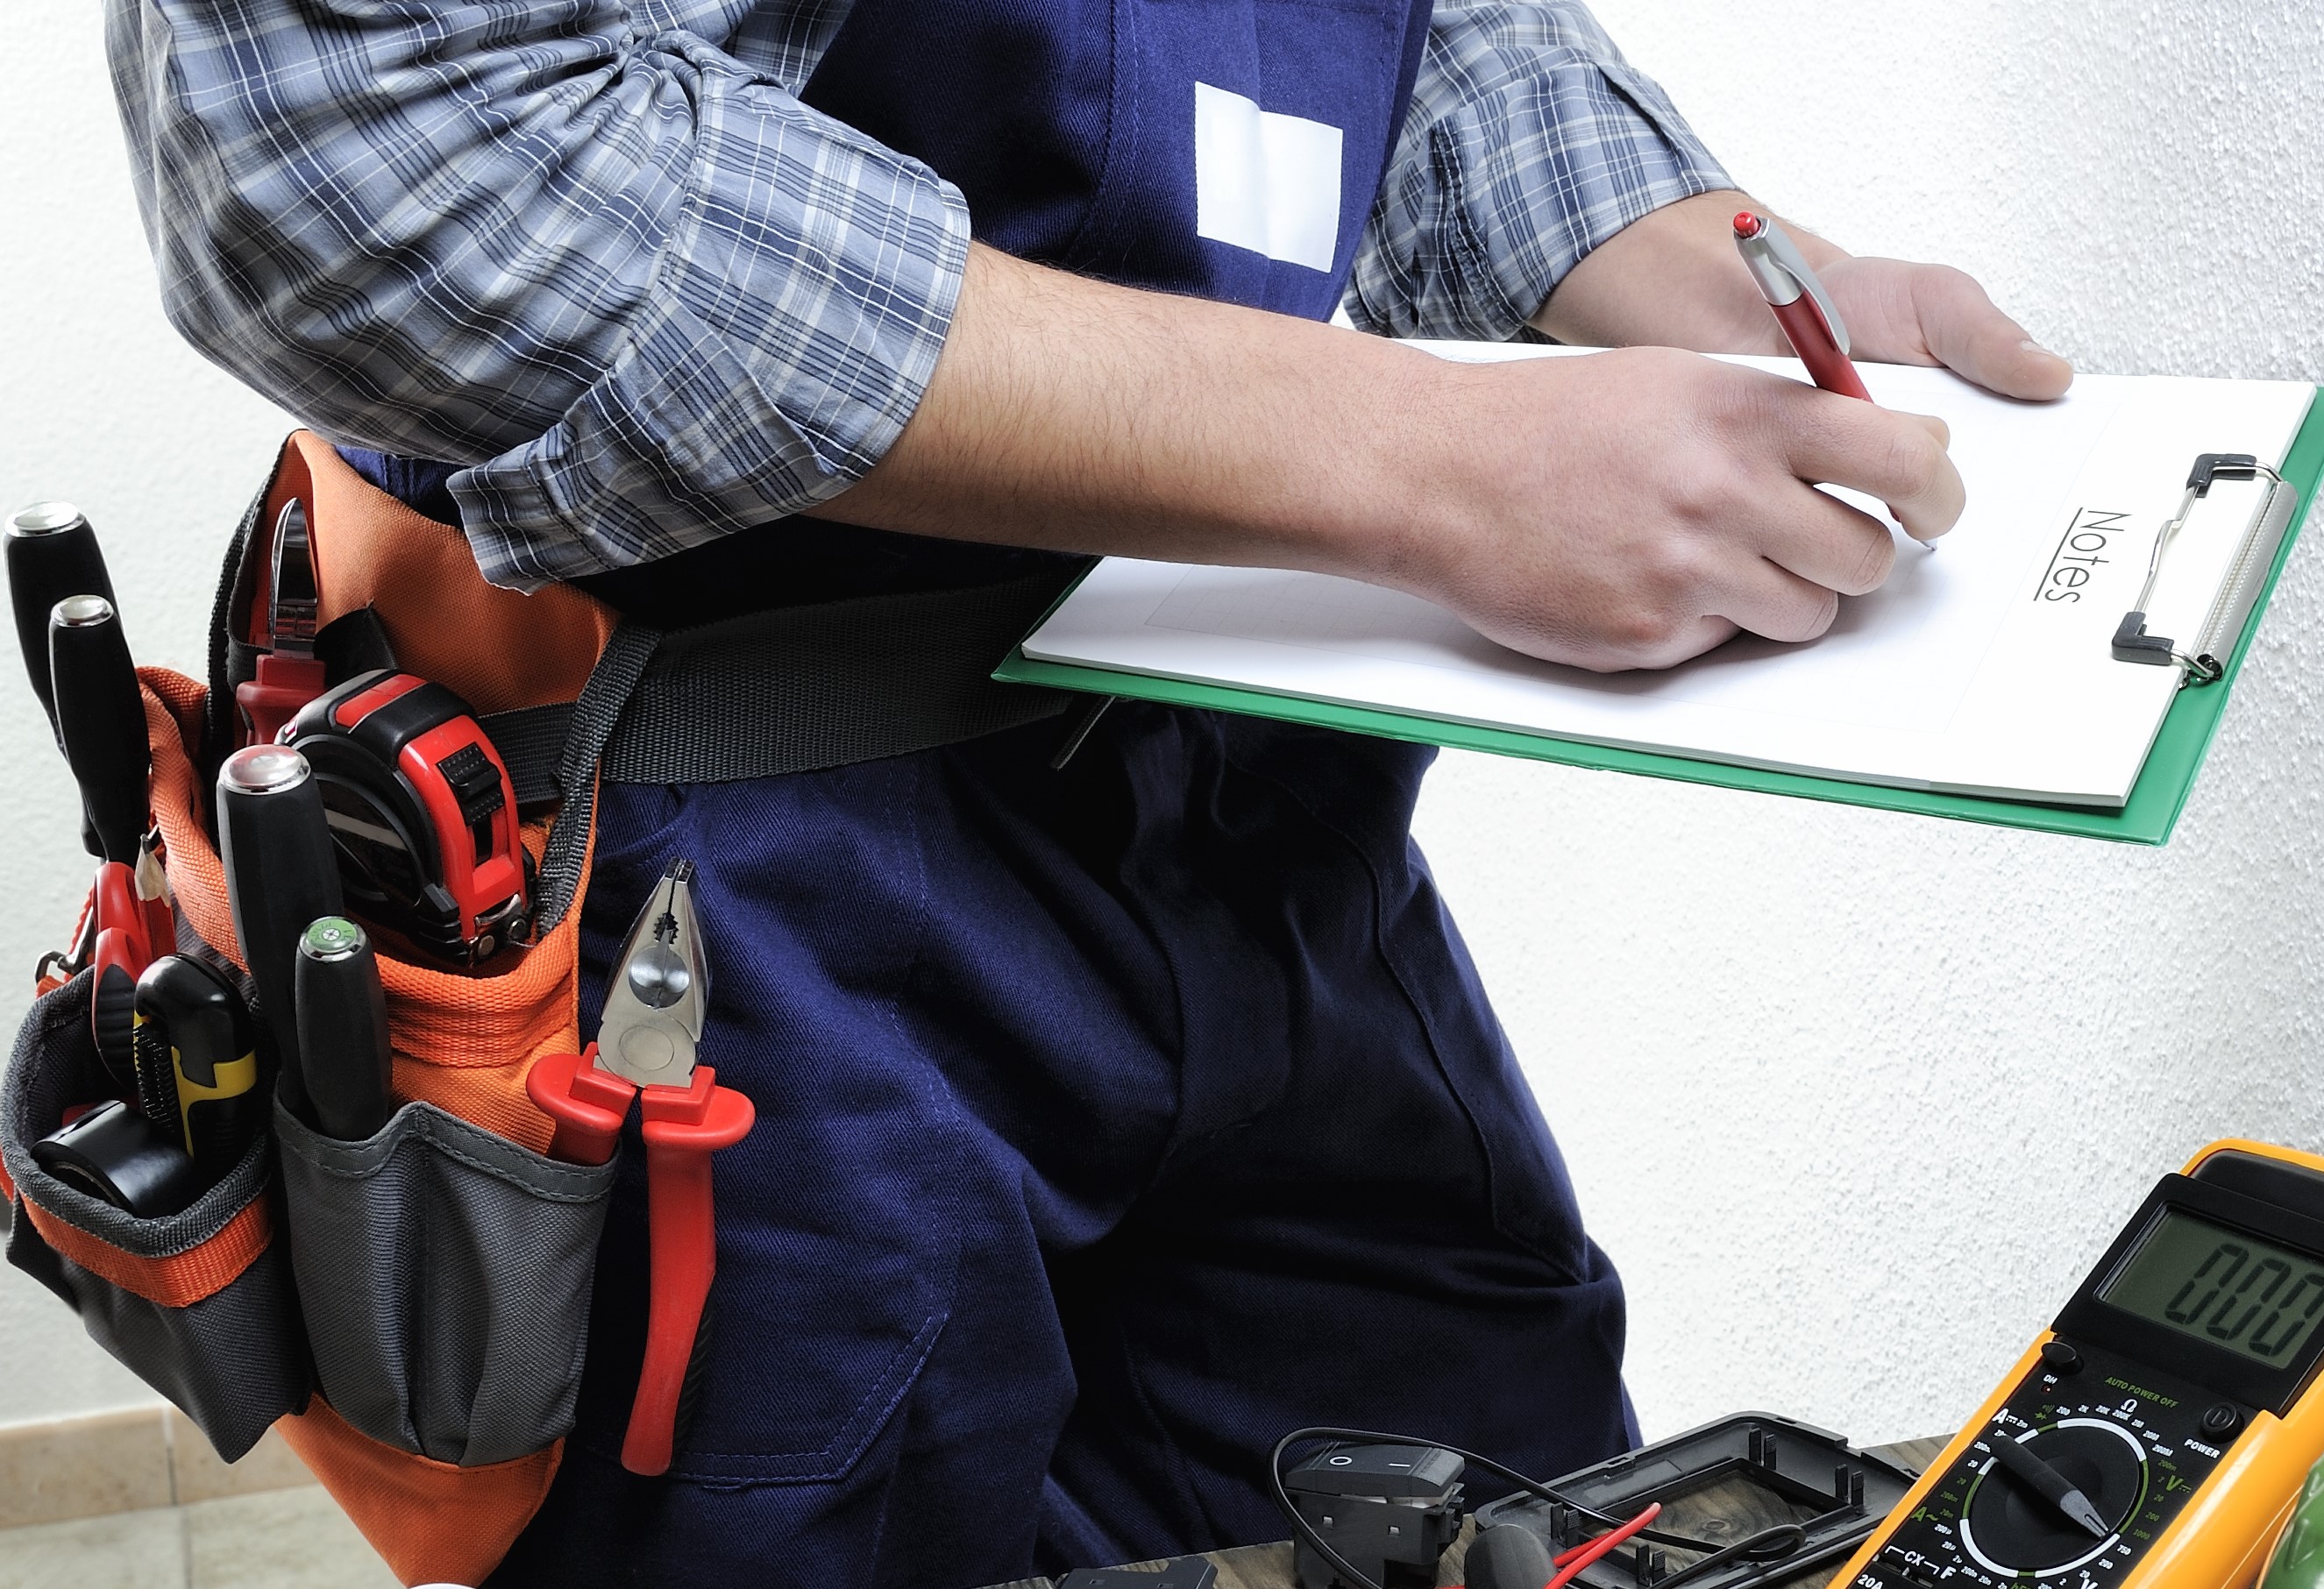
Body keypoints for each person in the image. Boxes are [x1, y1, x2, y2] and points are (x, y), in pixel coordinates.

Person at [107, 0, 2071, 1581]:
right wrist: (1420, 459)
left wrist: (1655, 258)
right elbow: (374, 149)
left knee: (1505, 1514)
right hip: (713, 893)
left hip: (1252, 813)